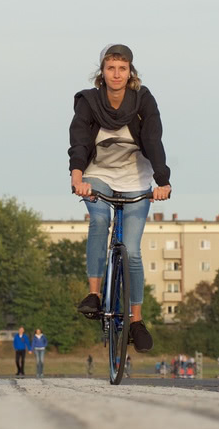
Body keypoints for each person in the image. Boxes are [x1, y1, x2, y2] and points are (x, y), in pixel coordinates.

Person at [69, 44, 171, 354]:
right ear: (102, 72)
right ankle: (95, 295)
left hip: (135, 178)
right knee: (100, 219)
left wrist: (162, 181)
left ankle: (136, 320)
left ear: (130, 73)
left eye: (122, 68)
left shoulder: (143, 101)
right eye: (111, 68)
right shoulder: (89, 101)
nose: (116, 74)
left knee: (133, 251)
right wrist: (77, 176)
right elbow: (79, 138)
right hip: (97, 174)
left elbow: (153, 138)